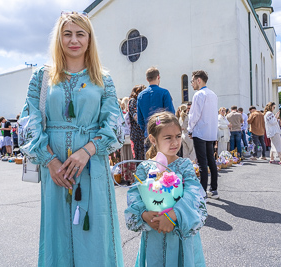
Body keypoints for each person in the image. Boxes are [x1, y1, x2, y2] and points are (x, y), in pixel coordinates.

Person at [18, 11, 124, 266]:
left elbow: (115, 124)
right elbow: (28, 120)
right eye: (67, 34)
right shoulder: (41, 77)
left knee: (95, 233)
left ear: (89, 39)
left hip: (93, 166)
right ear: (59, 38)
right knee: (57, 234)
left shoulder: (103, 78)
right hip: (54, 170)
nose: (73, 40)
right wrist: (49, 161)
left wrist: (88, 150)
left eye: (80, 34)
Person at [125, 111, 207, 266]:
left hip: (180, 234)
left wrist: (173, 215)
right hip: (154, 232)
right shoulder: (145, 168)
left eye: (177, 136)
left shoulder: (185, 165)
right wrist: (144, 214)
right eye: (168, 138)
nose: (175, 142)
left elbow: (194, 194)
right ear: (153, 139)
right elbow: (135, 195)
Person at [187, 70, 219, 199]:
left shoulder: (199, 94)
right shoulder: (213, 94)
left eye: (192, 81)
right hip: (211, 132)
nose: (191, 84)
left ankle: (203, 192)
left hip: (200, 132)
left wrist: (190, 129)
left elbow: (194, 114)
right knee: (211, 160)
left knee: (202, 163)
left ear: (198, 80)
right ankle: (214, 189)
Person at [137, 67, 175, 137]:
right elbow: (170, 114)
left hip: (149, 133)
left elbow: (140, 119)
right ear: (158, 77)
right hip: (162, 132)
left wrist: (146, 129)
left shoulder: (140, 95)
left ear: (147, 79)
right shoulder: (164, 93)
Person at [128, 85, 146, 160]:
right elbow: (136, 117)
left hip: (141, 133)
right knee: (139, 156)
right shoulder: (133, 101)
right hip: (137, 133)